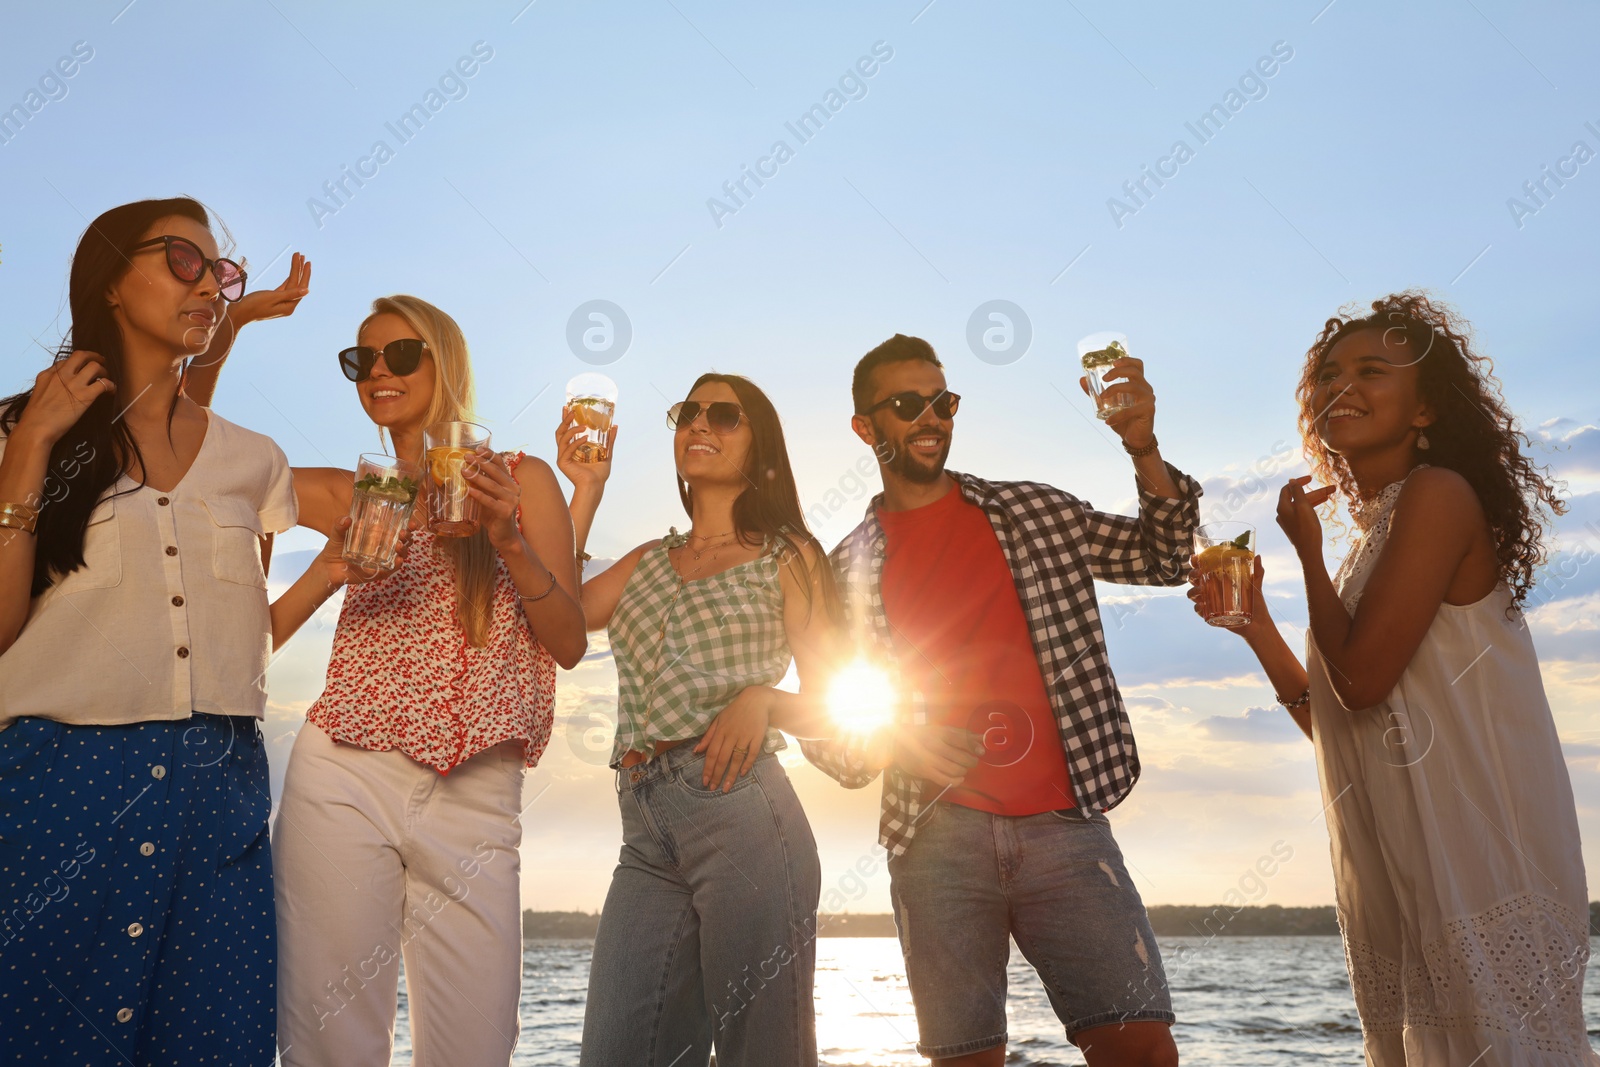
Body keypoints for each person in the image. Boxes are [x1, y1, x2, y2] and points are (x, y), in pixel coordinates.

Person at [1186, 292, 1598, 1066]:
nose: (1340, 384)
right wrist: (1257, 626)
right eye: (1327, 374)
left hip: (1476, 858)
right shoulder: (1368, 546)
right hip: (1410, 873)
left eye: (1371, 369)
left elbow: (1364, 680)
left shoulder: (1439, 496)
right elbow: (1342, 722)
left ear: (1425, 408)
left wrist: (1305, 553)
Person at [187, 294, 587, 1065]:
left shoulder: (522, 480)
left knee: (474, 1048)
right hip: (343, 774)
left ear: (446, 363)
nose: (378, 371)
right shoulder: (353, 492)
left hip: (476, 788)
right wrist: (228, 330)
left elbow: (567, 641)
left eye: (400, 355)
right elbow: (202, 462)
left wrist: (508, 538)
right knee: (328, 1043)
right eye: (360, 361)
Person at [0, 197, 351, 1064]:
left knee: (214, 1041)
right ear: (111, 282)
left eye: (220, 271)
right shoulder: (19, 429)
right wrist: (30, 449)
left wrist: (331, 571)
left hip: (220, 790)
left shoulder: (253, 460)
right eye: (181, 261)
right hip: (58, 786)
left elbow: (237, 642)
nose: (210, 284)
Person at [802, 333, 1196, 1067]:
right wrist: (897, 740)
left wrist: (1142, 446)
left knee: (1142, 1047)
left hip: (1066, 827)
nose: (932, 417)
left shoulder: (1034, 511)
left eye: (943, 401)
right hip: (935, 840)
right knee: (965, 1062)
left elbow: (1162, 556)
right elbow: (829, 736)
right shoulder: (842, 569)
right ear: (865, 426)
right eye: (907, 403)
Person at [561, 373, 845, 1066]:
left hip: (742, 813)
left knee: (763, 1055)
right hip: (644, 825)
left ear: (763, 454)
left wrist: (768, 701)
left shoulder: (789, 557)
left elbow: (838, 706)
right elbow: (550, 622)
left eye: (725, 415)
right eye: (689, 412)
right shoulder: (645, 562)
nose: (700, 423)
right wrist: (585, 491)